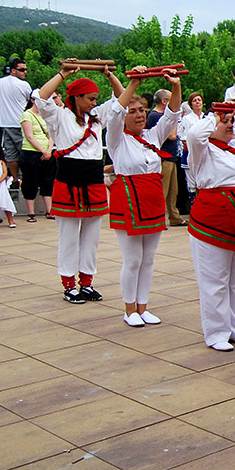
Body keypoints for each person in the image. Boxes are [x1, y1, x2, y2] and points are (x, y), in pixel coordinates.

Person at [37, 64, 121, 303]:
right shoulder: (60, 116)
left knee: (91, 238)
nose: (94, 102)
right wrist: (63, 74)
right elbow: (41, 97)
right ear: (76, 98)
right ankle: (68, 286)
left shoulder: (96, 120)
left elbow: (119, 98)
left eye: (95, 98)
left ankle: (87, 283)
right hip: (69, 181)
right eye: (90, 98)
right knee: (69, 237)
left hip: (93, 181)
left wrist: (109, 74)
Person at [107, 68, 181, 327]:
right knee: (133, 258)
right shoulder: (116, 139)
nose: (139, 115)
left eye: (141, 111)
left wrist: (175, 85)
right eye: (133, 111)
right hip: (128, 199)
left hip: (151, 199)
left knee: (148, 258)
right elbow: (115, 113)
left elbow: (171, 116)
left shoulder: (152, 136)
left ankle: (143, 306)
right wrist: (133, 84)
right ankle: (129, 309)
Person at [186, 101, 235, 351]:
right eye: (225, 122)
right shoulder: (202, 150)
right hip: (211, 219)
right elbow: (194, 134)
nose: (229, 126)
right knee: (214, 279)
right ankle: (215, 332)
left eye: (231, 121)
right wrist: (216, 116)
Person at [0, 57, 32, 183]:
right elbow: (31, 100)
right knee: (25, 153)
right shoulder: (24, 85)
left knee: (11, 154)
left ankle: (15, 179)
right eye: (22, 69)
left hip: (6, 123)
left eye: (25, 69)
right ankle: (25, 178)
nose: (25, 72)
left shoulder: (0, 82)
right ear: (13, 70)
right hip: (21, 123)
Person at [147, 89, 184, 227]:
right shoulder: (155, 116)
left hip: (171, 157)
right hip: (164, 158)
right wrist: (174, 119)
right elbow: (172, 135)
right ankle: (159, 217)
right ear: (164, 101)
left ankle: (174, 217)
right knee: (163, 191)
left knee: (173, 191)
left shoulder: (160, 116)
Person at [19, 90, 57, 221]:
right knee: (31, 181)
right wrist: (43, 150)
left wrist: (49, 150)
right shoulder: (27, 115)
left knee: (48, 181)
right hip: (31, 152)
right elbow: (29, 136)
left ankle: (49, 211)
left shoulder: (47, 115)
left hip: (47, 152)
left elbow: (52, 133)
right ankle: (31, 212)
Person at [179, 91, 205, 208]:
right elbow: (182, 136)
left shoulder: (206, 117)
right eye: (195, 100)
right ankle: (193, 208)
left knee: (203, 181)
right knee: (191, 182)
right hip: (190, 153)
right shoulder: (187, 119)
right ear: (191, 104)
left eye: (199, 100)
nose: (197, 102)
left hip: (205, 154)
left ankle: (203, 207)